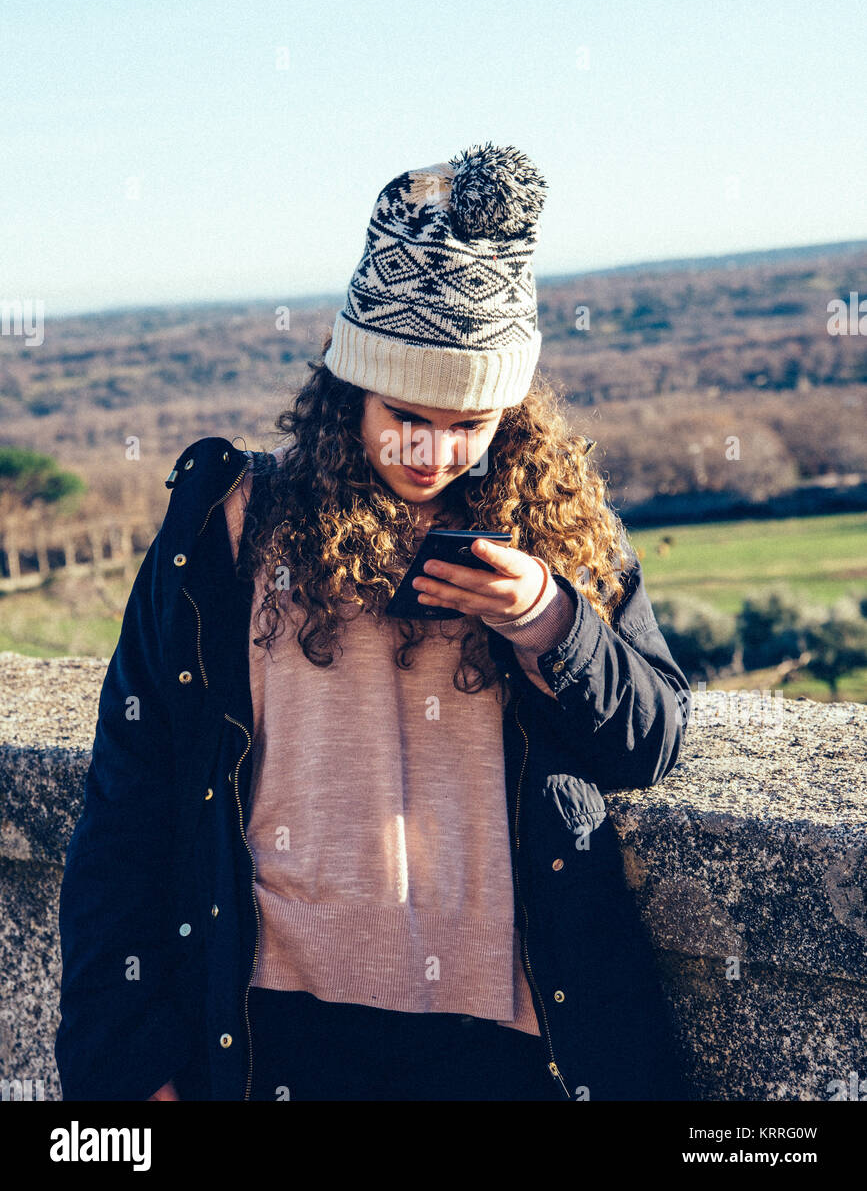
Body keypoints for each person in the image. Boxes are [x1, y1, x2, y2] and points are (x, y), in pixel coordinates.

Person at [55, 142, 691, 1102]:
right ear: (349, 385)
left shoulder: (559, 527)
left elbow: (652, 742)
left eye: (470, 424)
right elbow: (129, 799)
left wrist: (553, 622)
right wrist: (127, 1061)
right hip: (276, 1028)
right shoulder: (228, 526)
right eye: (405, 413)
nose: (434, 451)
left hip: (509, 1038)